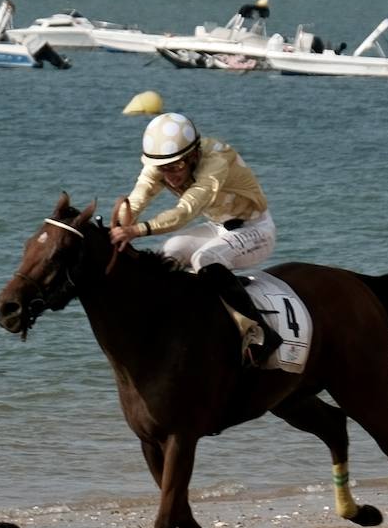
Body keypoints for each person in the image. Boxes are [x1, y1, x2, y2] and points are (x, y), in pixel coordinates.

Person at [109, 111, 281, 366]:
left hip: (256, 229)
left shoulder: (216, 162)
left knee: (205, 257)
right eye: (163, 169)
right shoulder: (161, 163)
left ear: (194, 156)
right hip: (220, 226)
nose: (170, 176)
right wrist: (116, 227)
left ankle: (259, 334)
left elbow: (184, 212)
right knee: (167, 252)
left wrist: (137, 230)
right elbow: (137, 200)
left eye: (177, 166)